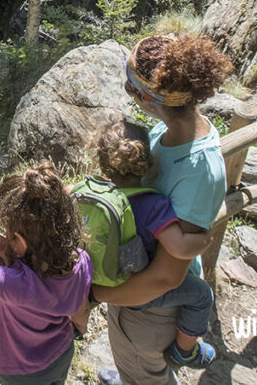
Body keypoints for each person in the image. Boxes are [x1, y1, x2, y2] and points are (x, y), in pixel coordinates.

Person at [91, 34, 233, 385]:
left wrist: (97, 294)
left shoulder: (199, 170)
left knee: (147, 372)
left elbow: (168, 277)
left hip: (148, 307)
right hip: (138, 285)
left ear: (145, 97)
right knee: (135, 367)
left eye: (130, 86)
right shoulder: (167, 132)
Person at [0, 163, 92, 384]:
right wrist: (80, 326)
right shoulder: (80, 260)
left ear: (20, 240)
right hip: (61, 353)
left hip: (20, 370)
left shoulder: (18, 283)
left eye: (8, 234)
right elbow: (80, 306)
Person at [85, 118, 217, 368]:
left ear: (102, 164)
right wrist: (204, 238)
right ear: (146, 163)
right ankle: (185, 351)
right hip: (141, 292)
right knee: (202, 295)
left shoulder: (98, 195)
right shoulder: (153, 205)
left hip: (107, 277)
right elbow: (178, 247)